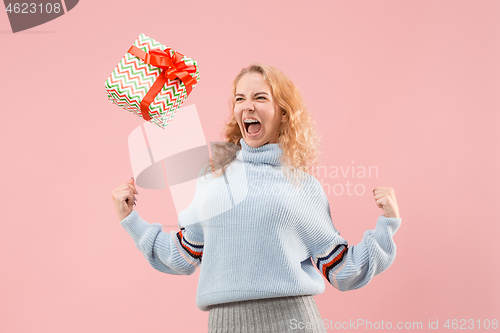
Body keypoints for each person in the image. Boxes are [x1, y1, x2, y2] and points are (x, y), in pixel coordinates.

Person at [111, 63, 401, 333]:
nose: (247, 106)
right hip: (225, 325)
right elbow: (184, 254)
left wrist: (388, 223)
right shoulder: (213, 178)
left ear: (283, 112)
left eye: (260, 97)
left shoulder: (303, 186)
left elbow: (340, 268)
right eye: (240, 99)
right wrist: (130, 219)